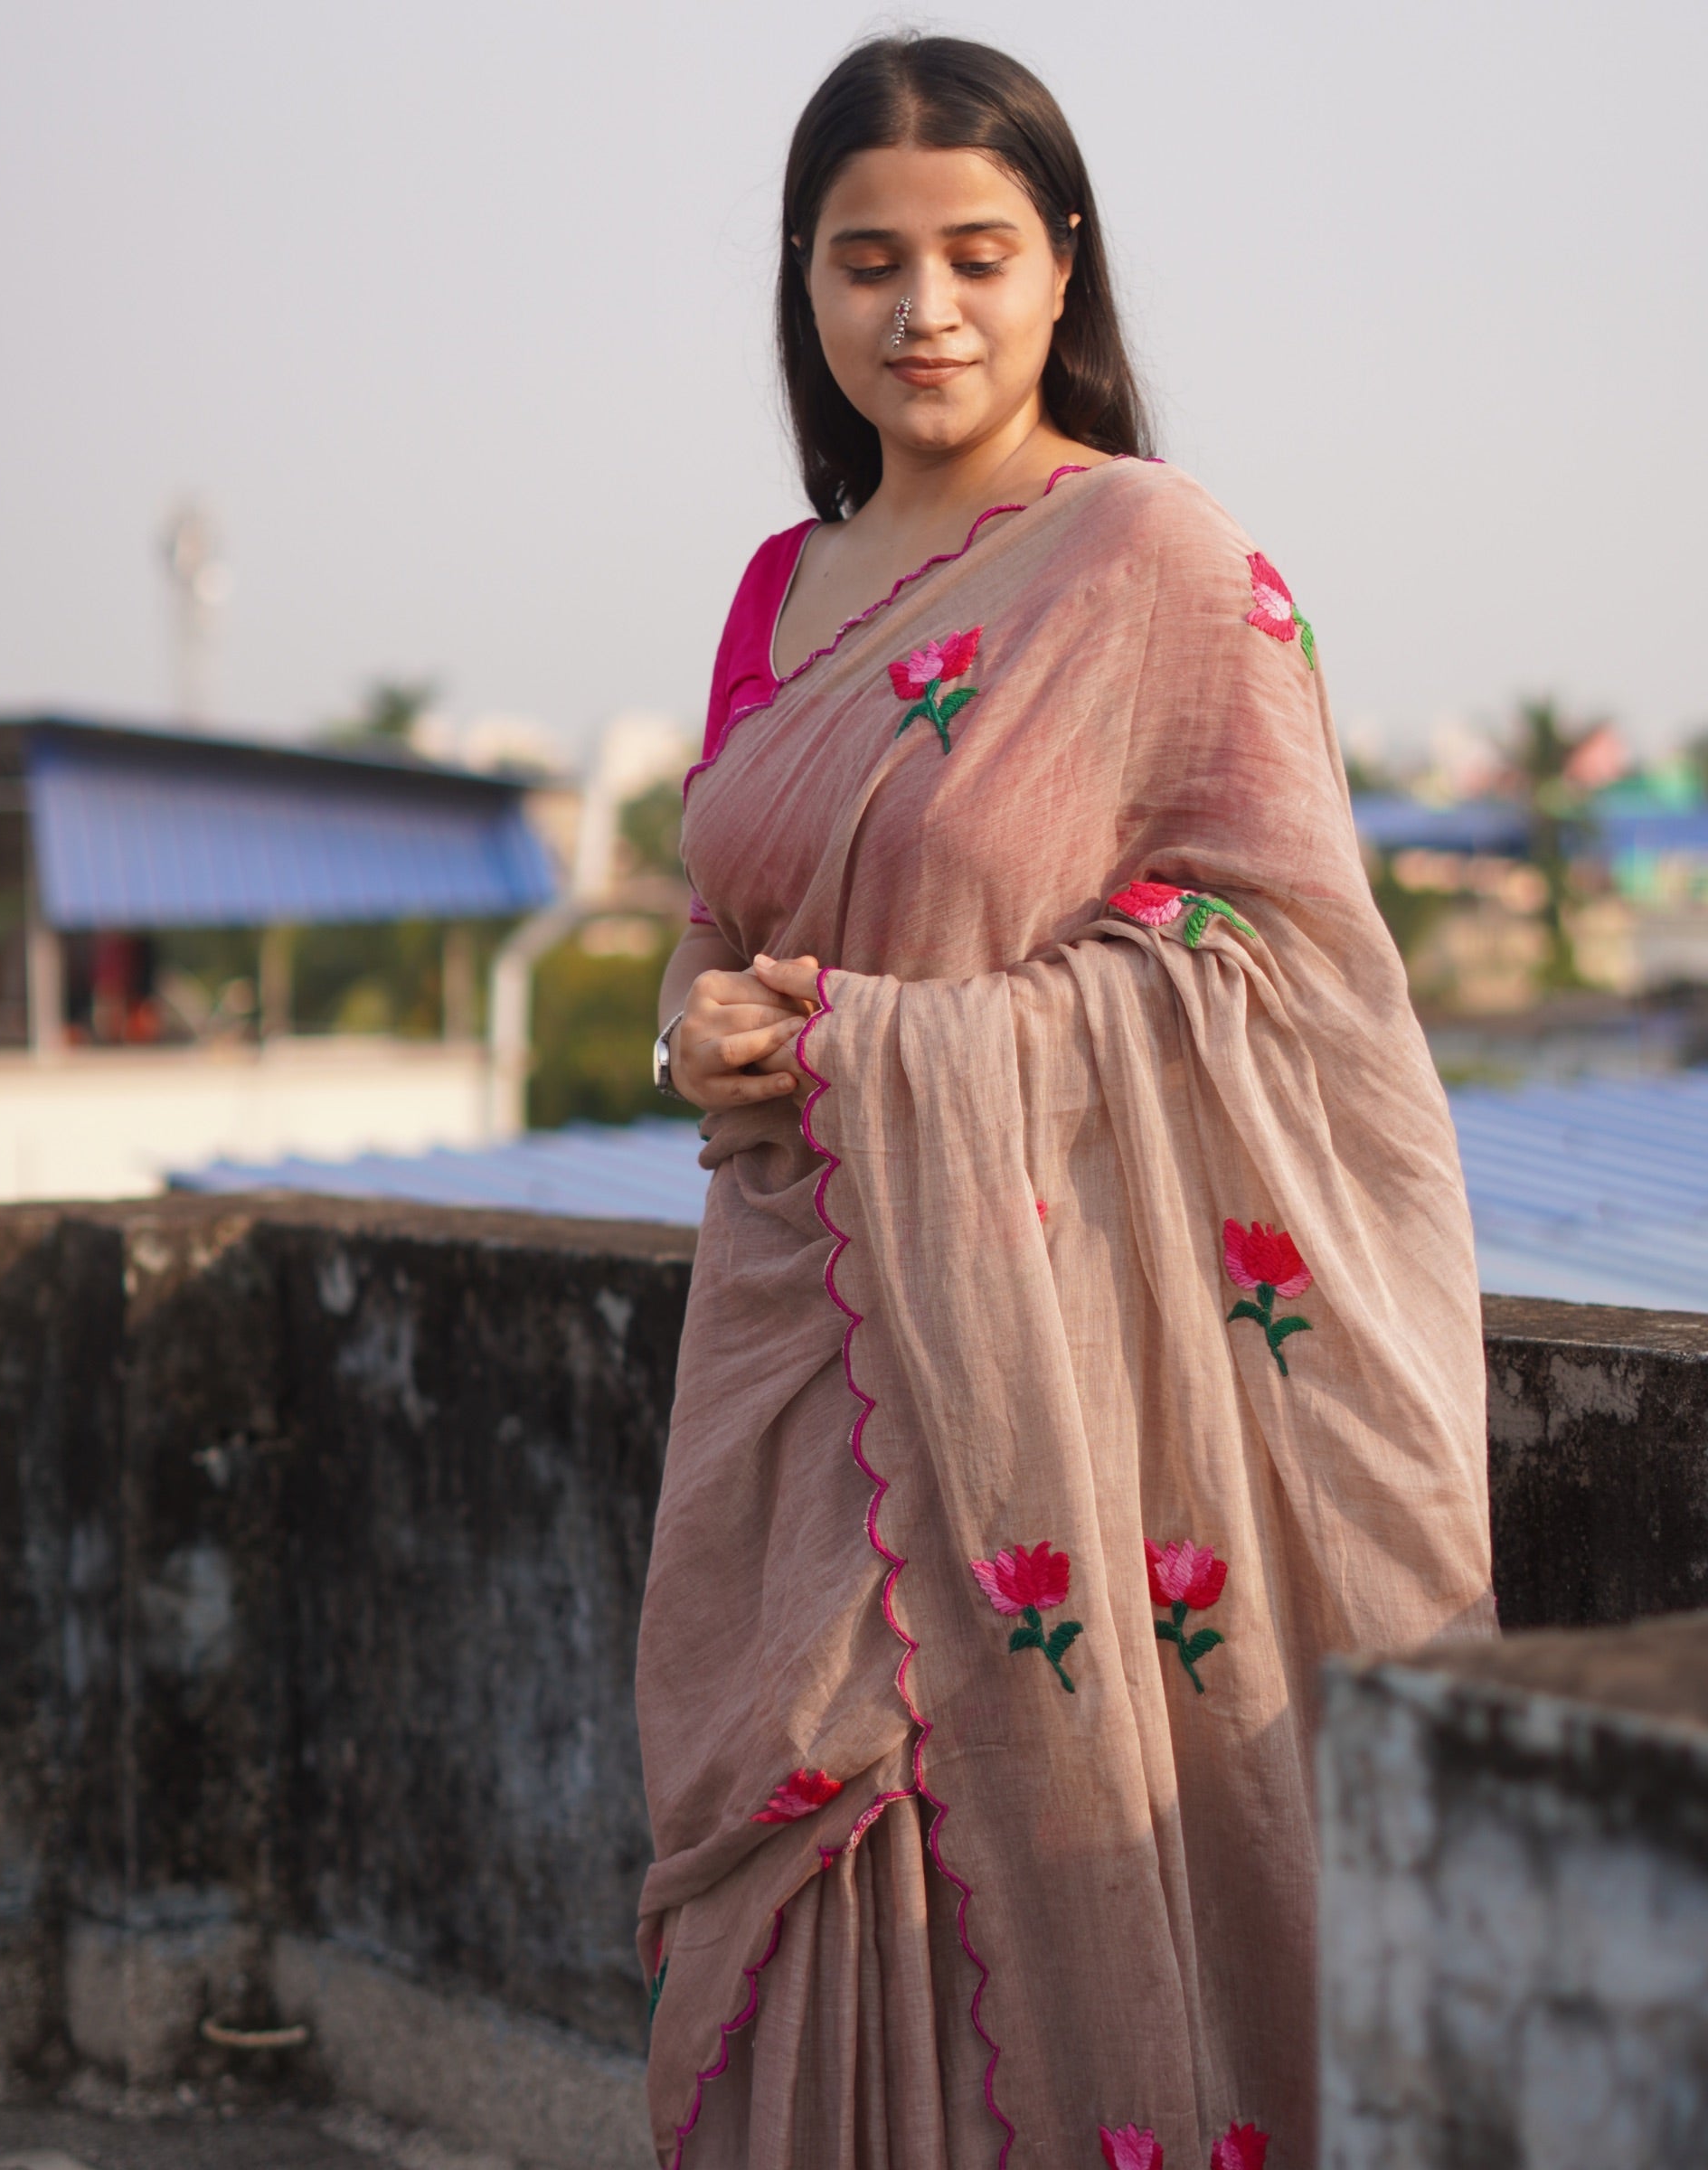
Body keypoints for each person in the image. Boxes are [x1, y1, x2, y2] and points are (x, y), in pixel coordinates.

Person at [635, 34, 1493, 2170]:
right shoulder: (783, 588)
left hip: (1048, 1384)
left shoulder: (1149, 562)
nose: (919, 311)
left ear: (1060, 269)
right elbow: (706, 920)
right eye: (865, 263)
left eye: (974, 254)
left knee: (965, 1852)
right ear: (803, 288)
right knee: (796, 1878)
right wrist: (695, 1041)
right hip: (793, 1361)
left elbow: (1294, 977)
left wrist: (876, 1045)